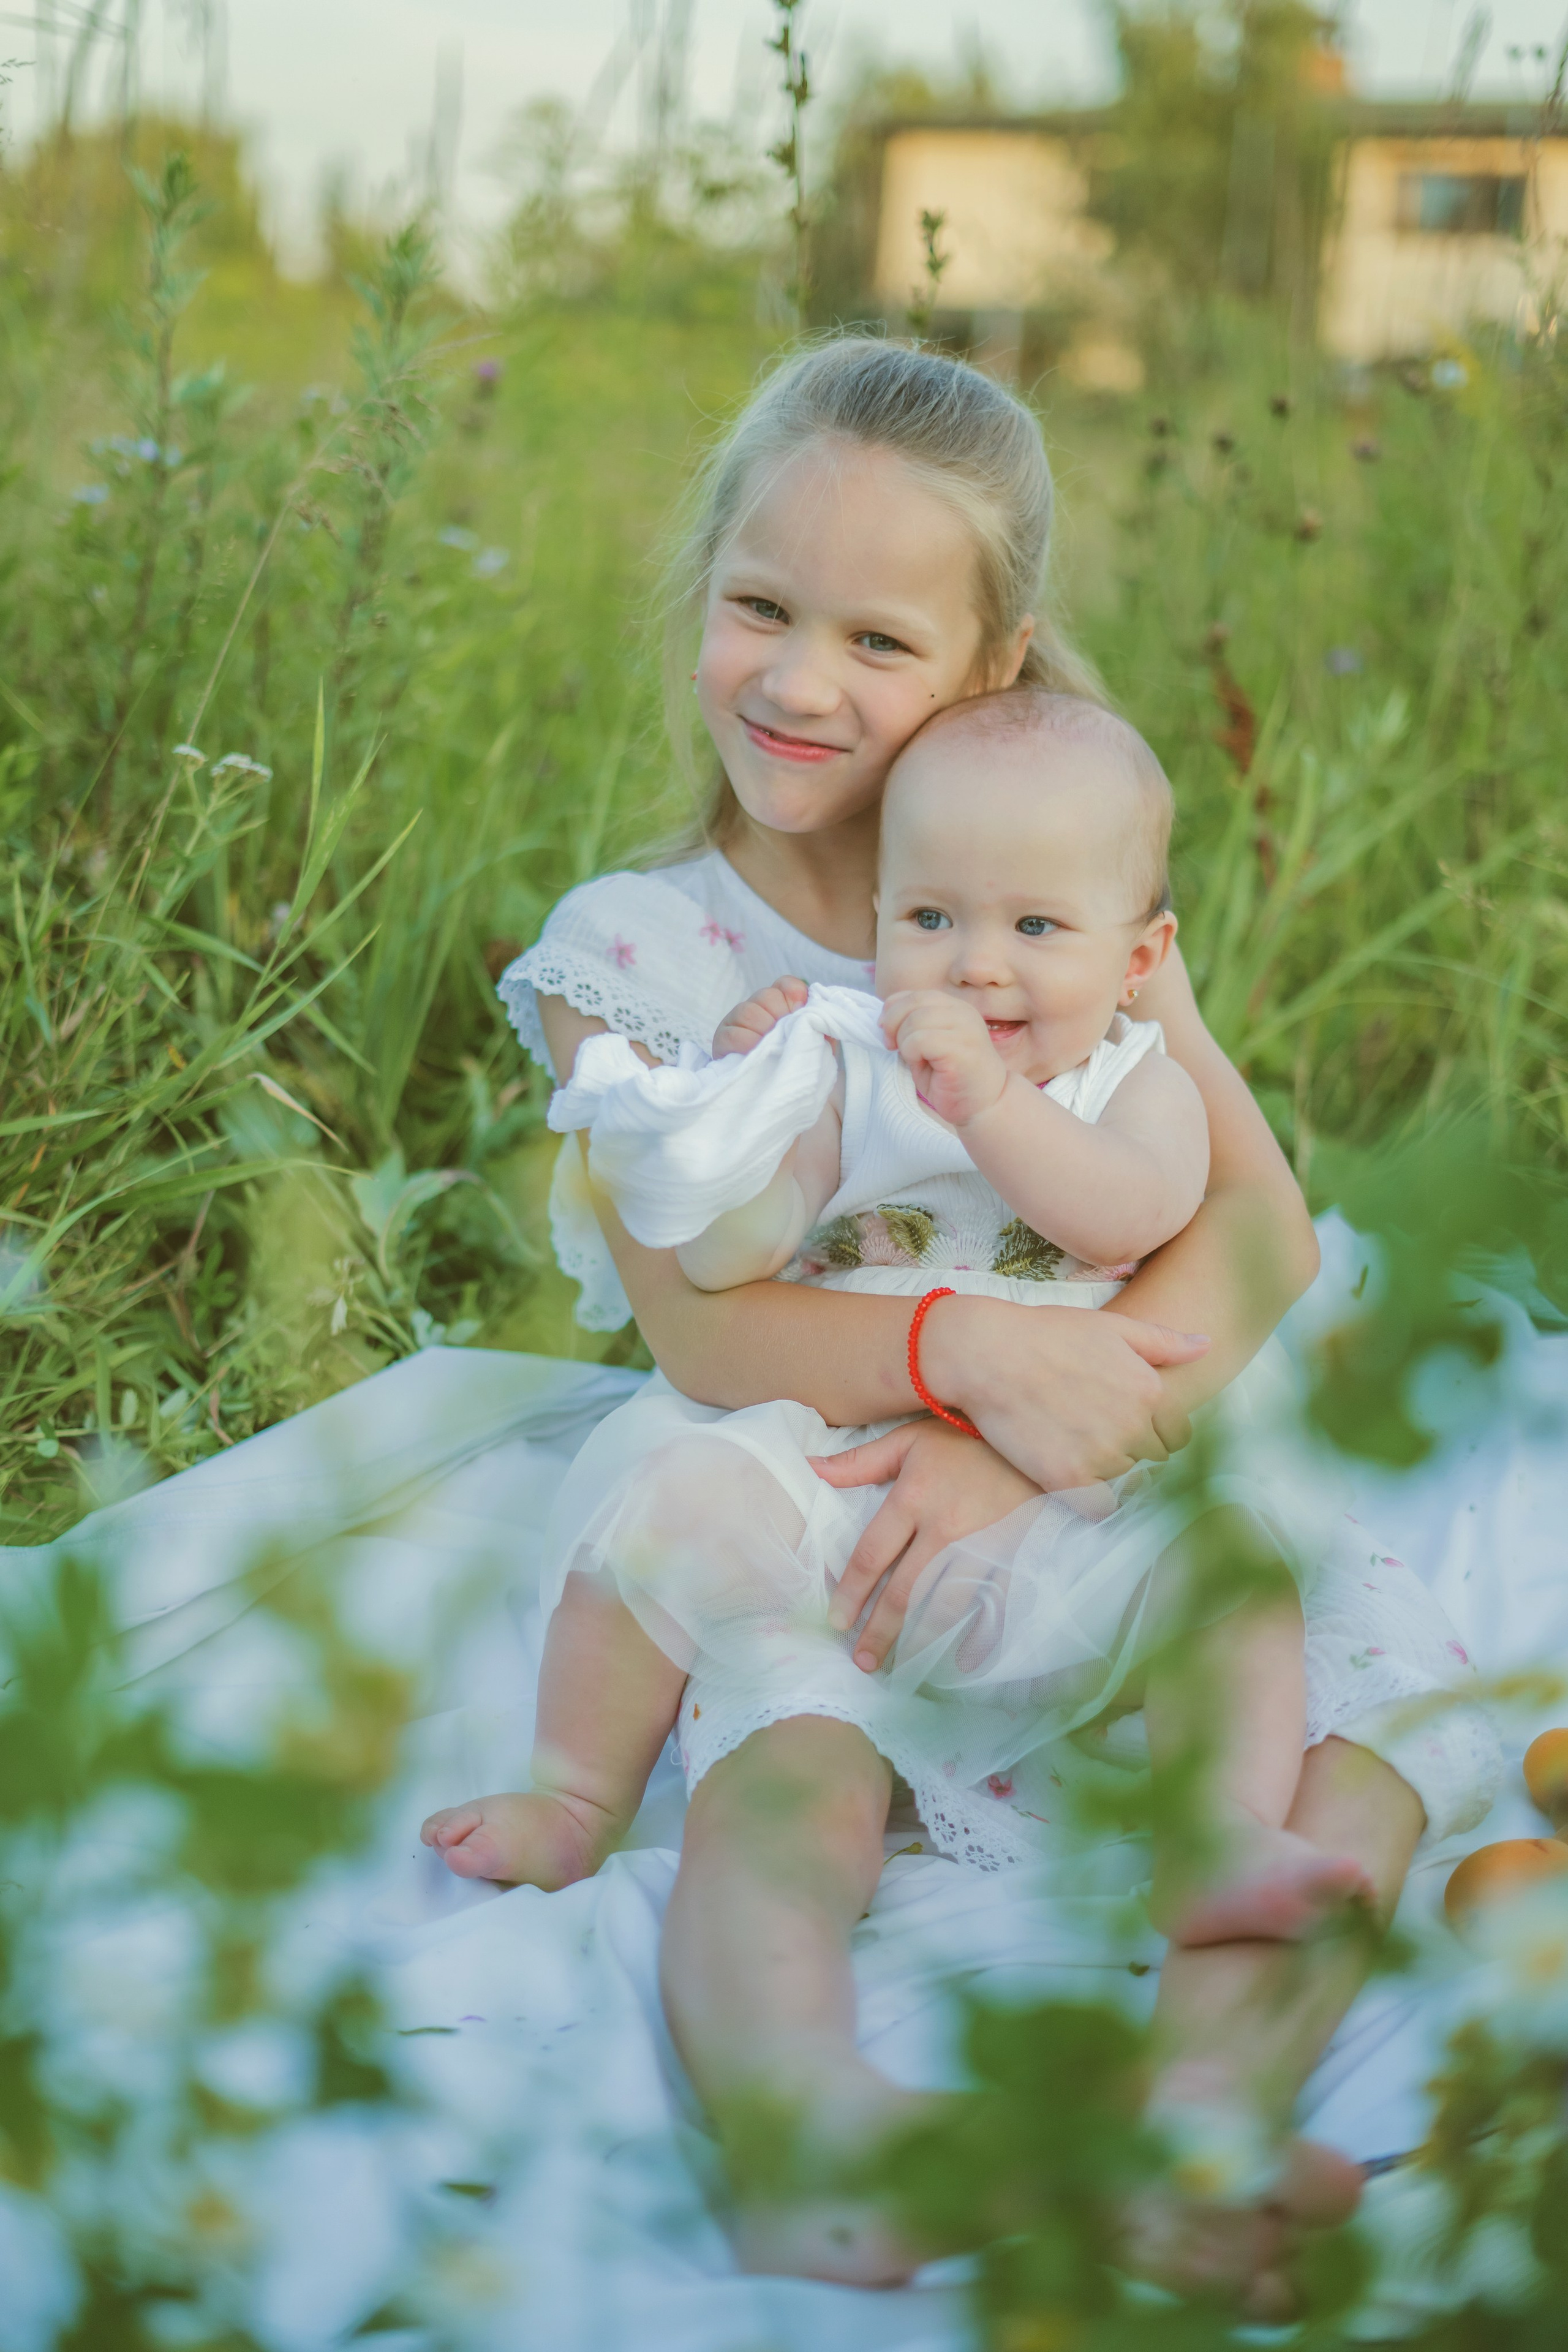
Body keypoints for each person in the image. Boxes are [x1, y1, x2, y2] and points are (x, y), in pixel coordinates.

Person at [420, 338, 1501, 2290]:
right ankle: (802, 2134)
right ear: (706, 600)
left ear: (991, 665)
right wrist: (954, 1361)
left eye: (879, 640)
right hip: (805, 1449)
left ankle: (1193, 2127)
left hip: (1071, 1465)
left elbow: (1250, 1232)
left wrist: (1016, 1447)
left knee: (1363, 1728)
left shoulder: (1045, 877)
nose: (801, 679)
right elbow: (700, 1328)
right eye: (759, 608)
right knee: (790, 1778)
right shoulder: (643, 951)